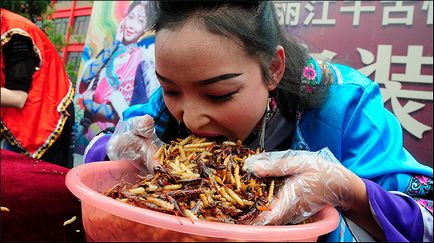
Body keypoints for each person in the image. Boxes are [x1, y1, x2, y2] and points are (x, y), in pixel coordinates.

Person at [85, 2, 433, 242]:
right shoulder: (166, 107)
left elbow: (426, 220)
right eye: (171, 90)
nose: (190, 118)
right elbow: (96, 160)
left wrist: (351, 193)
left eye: (219, 94)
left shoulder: (347, 106)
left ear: (273, 69)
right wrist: (119, 147)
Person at [1, 8, 75, 168]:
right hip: (15, 119)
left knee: (27, 184)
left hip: (43, 115)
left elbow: (17, 97)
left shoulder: (15, 35)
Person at [79, 1, 158, 138]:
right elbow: (85, 79)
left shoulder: (141, 62)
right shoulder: (109, 52)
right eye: (131, 17)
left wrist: (90, 105)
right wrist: (115, 44)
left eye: (140, 21)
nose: (132, 25)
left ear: (145, 27)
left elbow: (127, 112)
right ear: (124, 18)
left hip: (114, 137)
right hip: (89, 134)